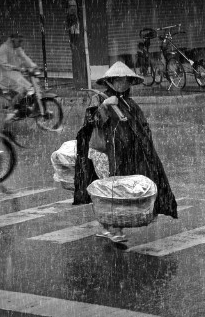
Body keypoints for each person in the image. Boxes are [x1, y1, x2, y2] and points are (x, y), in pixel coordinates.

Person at [72, 61, 178, 243]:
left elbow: (142, 128)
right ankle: (112, 229)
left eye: (126, 80)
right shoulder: (99, 98)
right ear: (111, 81)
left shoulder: (129, 104)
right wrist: (105, 106)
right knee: (111, 188)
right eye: (120, 80)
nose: (123, 84)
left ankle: (112, 228)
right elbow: (92, 121)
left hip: (124, 153)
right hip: (102, 153)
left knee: (118, 187)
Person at [0, 33, 38, 114]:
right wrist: (19, 68)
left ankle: (22, 106)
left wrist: (34, 66)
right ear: (13, 40)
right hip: (2, 74)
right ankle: (11, 108)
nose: (20, 43)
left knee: (29, 87)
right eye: (19, 41)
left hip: (13, 74)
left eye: (21, 41)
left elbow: (25, 58)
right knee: (23, 88)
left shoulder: (17, 48)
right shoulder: (3, 48)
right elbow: (4, 65)